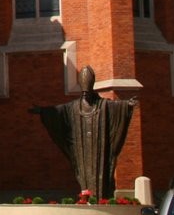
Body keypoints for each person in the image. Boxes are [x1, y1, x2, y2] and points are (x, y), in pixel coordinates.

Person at [30, 65, 137, 196]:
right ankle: (86, 196)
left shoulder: (103, 105)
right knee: (83, 174)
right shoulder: (74, 107)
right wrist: (42, 111)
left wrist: (127, 105)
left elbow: (115, 106)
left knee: (102, 174)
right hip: (83, 151)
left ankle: (102, 197)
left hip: (100, 149)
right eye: (83, 93)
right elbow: (59, 111)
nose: (85, 95)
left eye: (88, 93)